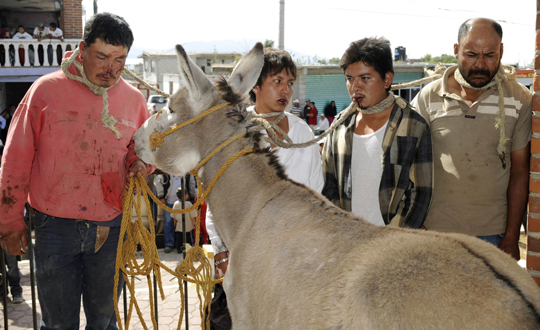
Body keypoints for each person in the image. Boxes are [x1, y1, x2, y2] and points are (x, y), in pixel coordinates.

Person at [0, 12, 153, 329]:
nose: (111, 69)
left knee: (105, 322)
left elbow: (144, 150)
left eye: (120, 60)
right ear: (82, 49)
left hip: (110, 227)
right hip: (52, 227)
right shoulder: (45, 91)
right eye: (102, 57)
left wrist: (141, 164)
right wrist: (9, 221)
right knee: (57, 324)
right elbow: (15, 158)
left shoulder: (134, 100)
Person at [206, 48, 324, 329]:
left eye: (290, 83)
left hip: (290, 263)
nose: (286, 90)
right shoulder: (232, 130)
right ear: (255, 86)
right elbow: (216, 200)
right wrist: (221, 253)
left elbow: (316, 195)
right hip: (239, 261)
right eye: (278, 81)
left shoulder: (301, 133)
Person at [411, 18, 531, 260]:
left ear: (502, 52)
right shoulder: (428, 97)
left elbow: (520, 171)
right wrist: (418, 225)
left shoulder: (520, 99)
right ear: (456, 51)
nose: (480, 64)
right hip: (435, 233)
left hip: (494, 237)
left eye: (489, 55)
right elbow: (410, 164)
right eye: (471, 54)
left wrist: (510, 237)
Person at [322, 37, 433, 228]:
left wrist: (394, 240)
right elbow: (329, 187)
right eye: (349, 79)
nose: (355, 87)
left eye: (365, 78)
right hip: (348, 240)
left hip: (392, 244)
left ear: (387, 79)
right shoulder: (339, 126)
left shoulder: (414, 126)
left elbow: (420, 194)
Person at [154, 174, 183, 253]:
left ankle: (180, 244)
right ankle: (169, 244)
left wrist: (191, 197)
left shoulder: (186, 171)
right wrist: (161, 196)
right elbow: (158, 181)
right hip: (169, 203)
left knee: (182, 222)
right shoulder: (165, 172)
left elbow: (191, 183)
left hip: (182, 202)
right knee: (168, 222)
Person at [172, 187, 195, 253]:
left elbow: (174, 214)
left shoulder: (176, 203)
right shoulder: (189, 204)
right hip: (187, 224)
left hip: (179, 224)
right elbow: (192, 215)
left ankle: (179, 249)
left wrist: (174, 221)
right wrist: (194, 222)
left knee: (179, 237)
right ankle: (189, 249)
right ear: (185, 195)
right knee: (188, 238)